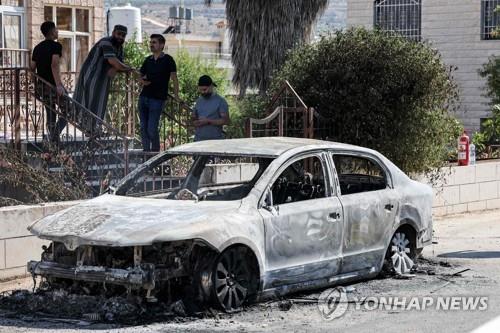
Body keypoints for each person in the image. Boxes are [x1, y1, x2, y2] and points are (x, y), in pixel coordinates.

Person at [73, 25, 132, 131]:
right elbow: (114, 62)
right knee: (84, 104)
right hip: (91, 76)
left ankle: (92, 131)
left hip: (102, 80)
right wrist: (128, 68)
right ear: (113, 32)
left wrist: (117, 67)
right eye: (119, 34)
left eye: (123, 35)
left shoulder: (119, 47)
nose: (121, 37)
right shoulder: (106, 42)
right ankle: (88, 129)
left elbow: (119, 64)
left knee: (97, 105)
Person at [138, 34, 179, 152]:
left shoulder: (168, 60)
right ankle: (146, 152)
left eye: (154, 42)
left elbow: (174, 79)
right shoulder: (148, 60)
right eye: (151, 42)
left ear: (161, 45)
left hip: (158, 98)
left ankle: (155, 153)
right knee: (143, 127)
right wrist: (142, 81)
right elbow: (140, 75)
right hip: (144, 97)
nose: (151, 44)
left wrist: (176, 96)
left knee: (151, 128)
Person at [31, 21, 67, 145]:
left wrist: (35, 86)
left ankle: (53, 140)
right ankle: (55, 135)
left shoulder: (37, 48)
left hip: (42, 85)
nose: (58, 31)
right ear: (52, 31)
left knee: (50, 112)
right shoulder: (56, 46)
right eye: (56, 29)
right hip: (52, 85)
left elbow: (32, 68)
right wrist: (58, 85)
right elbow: (54, 65)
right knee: (70, 111)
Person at [192, 75, 229, 141]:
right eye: (201, 90)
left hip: (215, 141)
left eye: (205, 89)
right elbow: (194, 118)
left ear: (211, 86)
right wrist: (195, 121)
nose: (203, 92)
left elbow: (226, 121)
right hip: (198, 141)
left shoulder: (220, 101)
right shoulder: (199, 101)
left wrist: (208, 121)